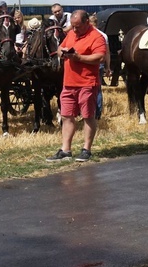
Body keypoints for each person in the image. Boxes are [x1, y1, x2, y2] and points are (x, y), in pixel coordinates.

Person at [46, 10, 107, 162]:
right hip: (68, 84)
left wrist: (78, 57)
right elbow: (60, 47)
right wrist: (62, 53)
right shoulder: (71, 34)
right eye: (72, 26)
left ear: (87, 22)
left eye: (78, 26)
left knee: (87, 116)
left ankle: (86, 149)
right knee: (67, 116)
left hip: (87, 83)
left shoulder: (96, 37)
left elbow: (100, 57)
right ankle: (65, 149)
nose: (74, 29)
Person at [88, 14, 112, 119]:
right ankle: (97, 114)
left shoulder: (88, 34)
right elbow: (107, 53)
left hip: (90, 63)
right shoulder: (103, 35)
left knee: (89, 89)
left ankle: (89, 113)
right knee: (97, 88)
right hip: (100, 64)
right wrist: (108, 67)